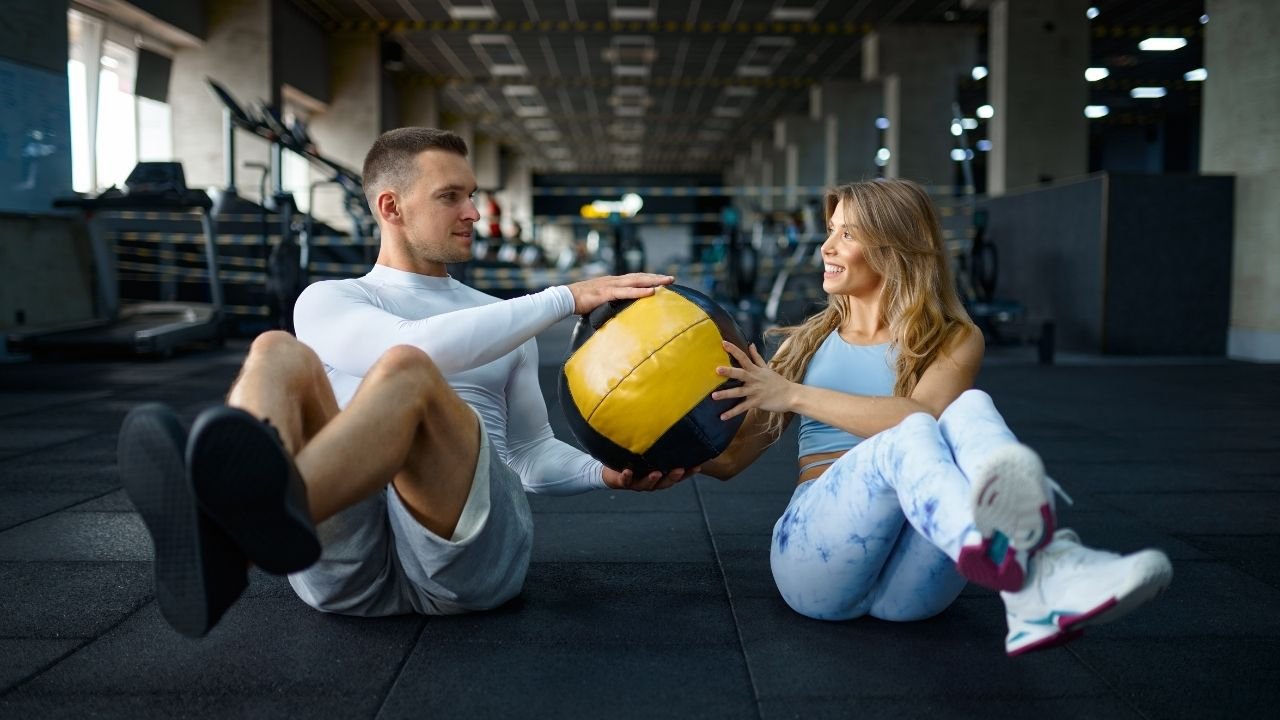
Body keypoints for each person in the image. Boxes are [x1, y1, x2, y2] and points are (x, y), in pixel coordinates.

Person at [117, 127, 691, 638]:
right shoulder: (331, 300)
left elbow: (529, 454)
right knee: (276, 352)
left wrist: (601, 473)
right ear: (391, 207)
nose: (472, 212)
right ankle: (244, 523)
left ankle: (224, 535)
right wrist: (565, 297)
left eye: (471, 195)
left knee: (406, 371)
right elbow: (415, 346)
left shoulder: (500, 320)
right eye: (450, 197)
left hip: (469, 563)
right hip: (342, 570)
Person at [700, 178, 1172, 656]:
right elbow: (729, 460)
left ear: (895, 245)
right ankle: (1038, 571)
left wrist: (795, 396)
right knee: (911, 435)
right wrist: (651, 457)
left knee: (969, 407)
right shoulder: (803, 346)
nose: (826, 247)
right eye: (830, 230)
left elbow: (918, 417)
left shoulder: (953, 339)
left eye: (848, 234)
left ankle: (1033, 577)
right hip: (817, 562)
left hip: (913, 580)